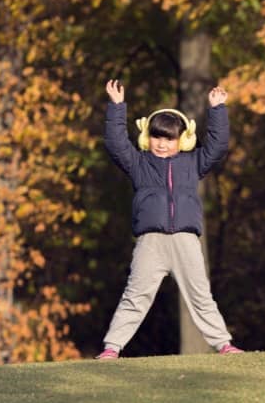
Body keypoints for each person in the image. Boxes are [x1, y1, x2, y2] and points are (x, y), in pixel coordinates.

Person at [95, 79, 243, 359]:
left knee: (201, 296)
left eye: (169, 138)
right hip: (151, 242)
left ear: (183, 140)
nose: (162, 144)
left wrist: (217, 110)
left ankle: (224, 344)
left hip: (185, 241)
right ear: (145, 138)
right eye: (156, 137)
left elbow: (217, 147)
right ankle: (112, 349)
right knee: (135, 297)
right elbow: (115, 144)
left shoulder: (193, 163)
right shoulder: (138, 163)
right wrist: (117, 107)